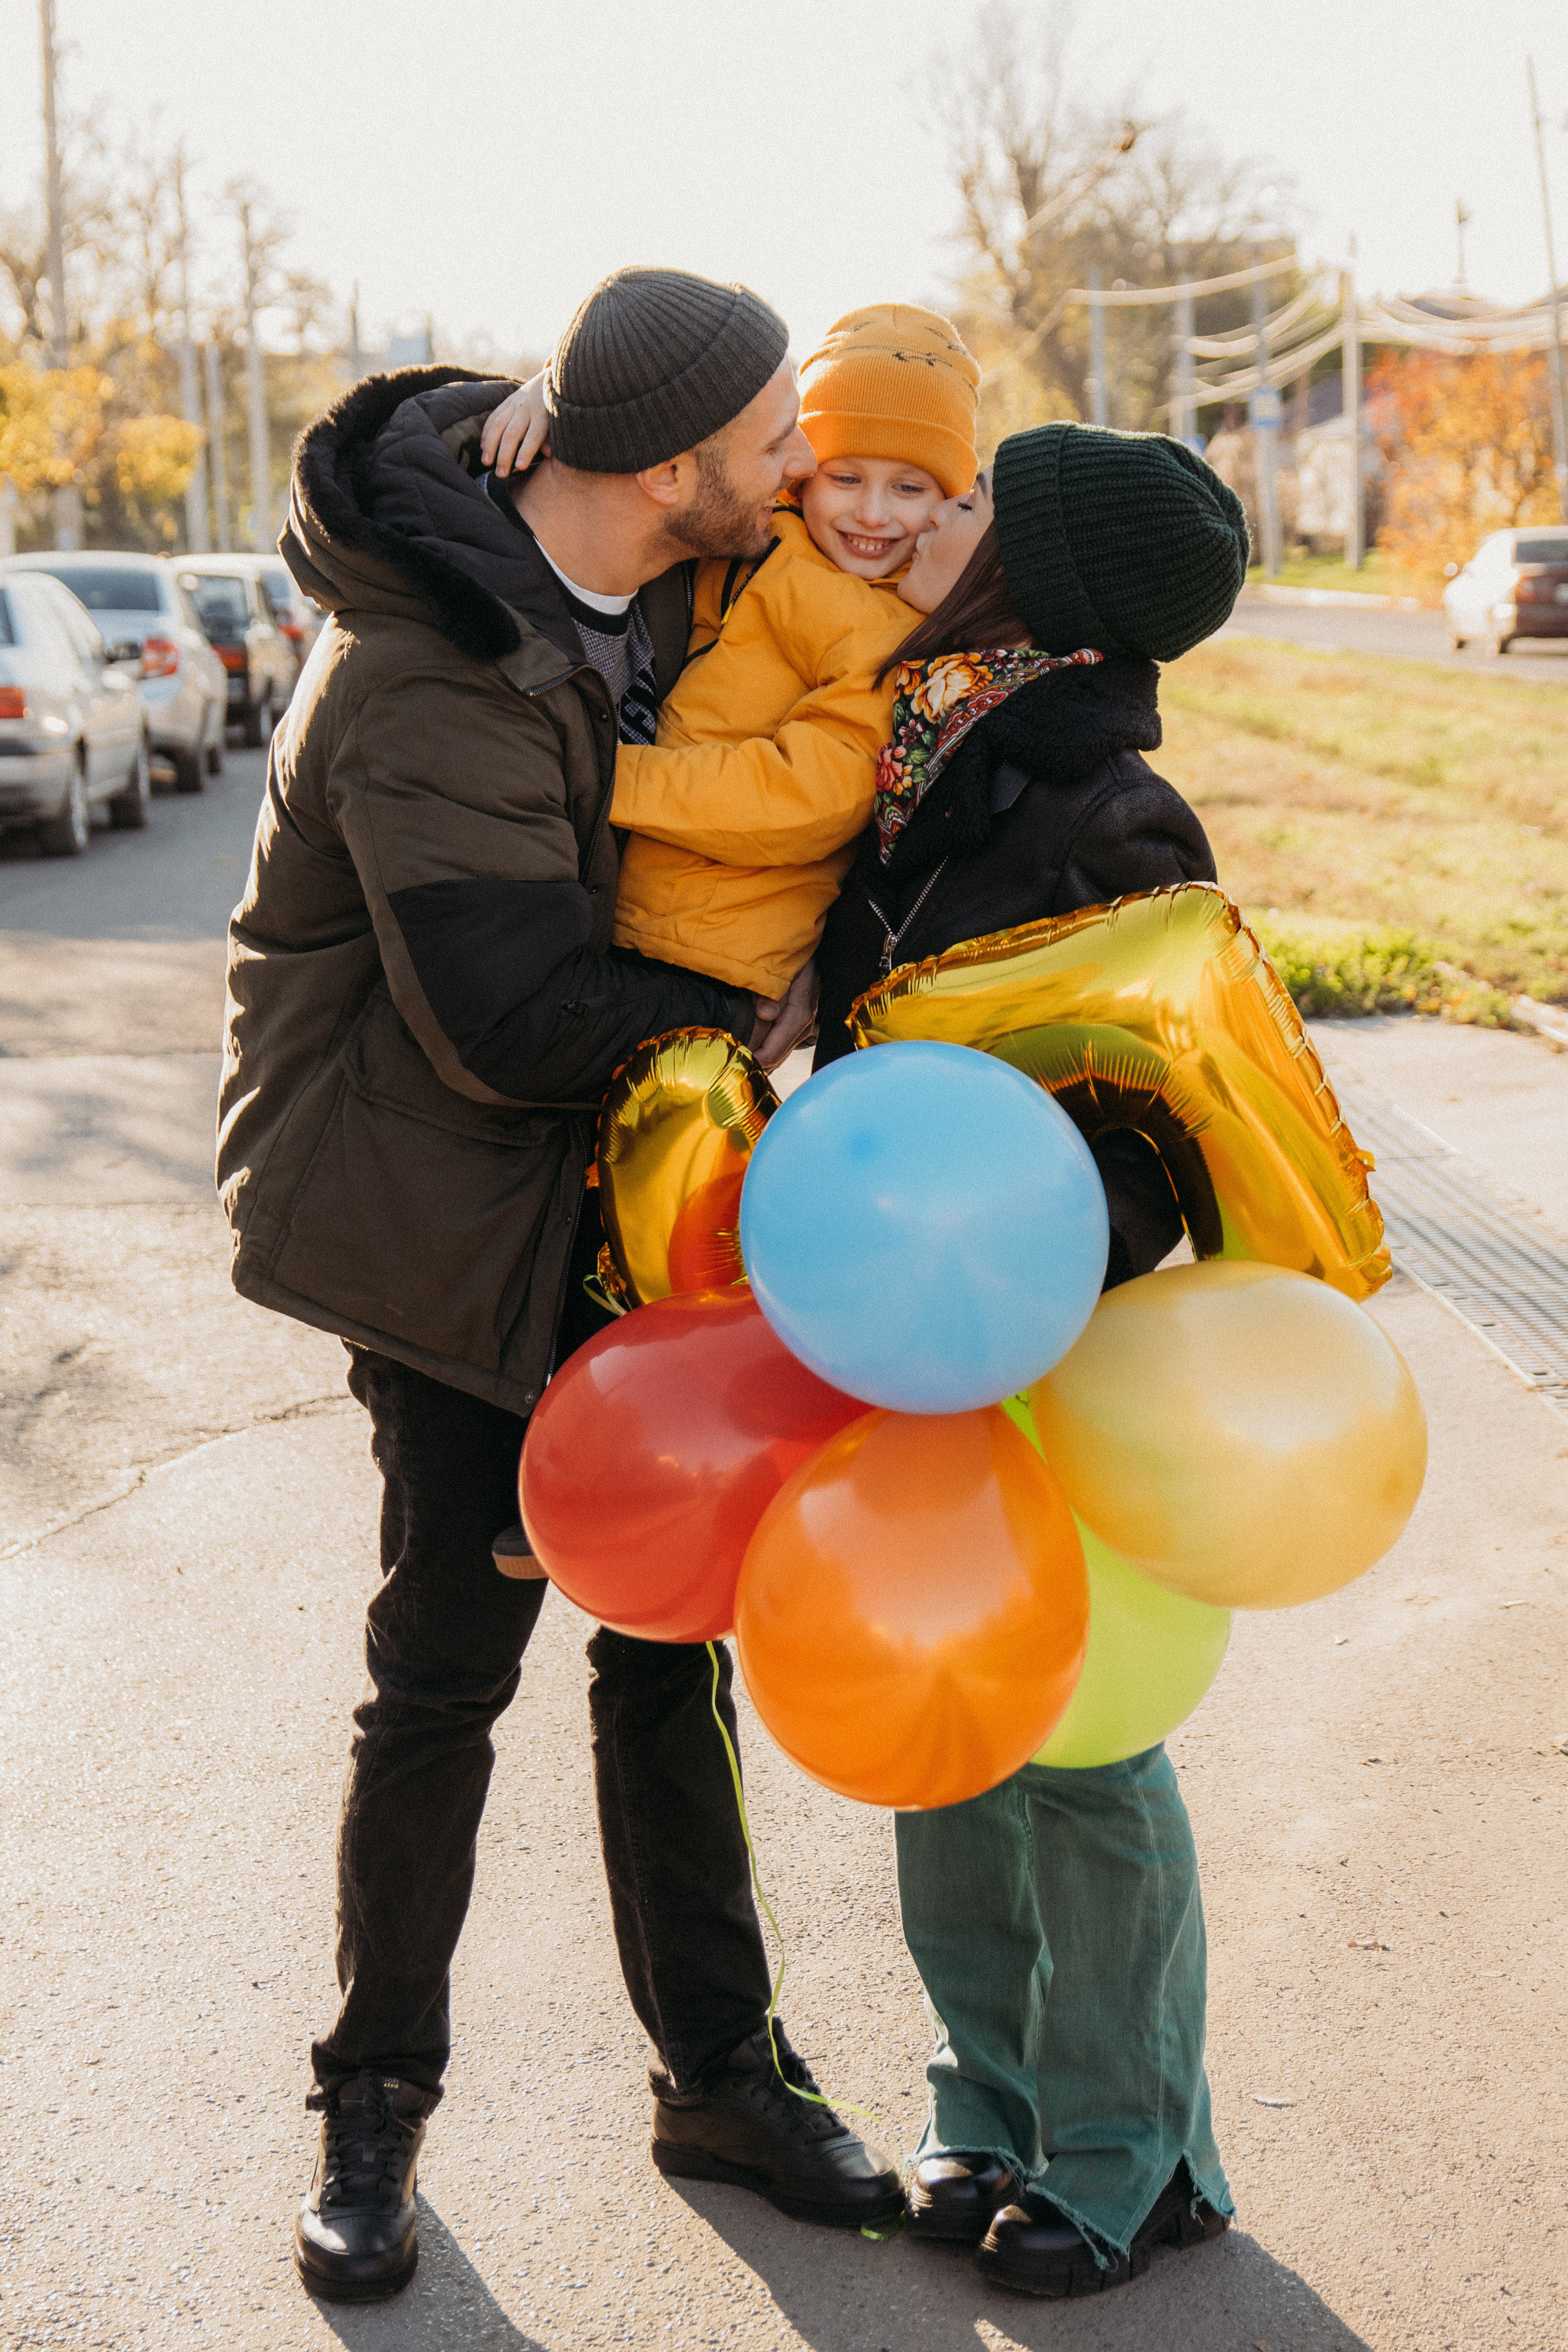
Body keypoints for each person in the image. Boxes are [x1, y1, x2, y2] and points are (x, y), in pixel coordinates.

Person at [216, 266, 902, 2310]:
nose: (802, 467)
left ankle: (722, 2080)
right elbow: (510, 1016)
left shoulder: (673, 572)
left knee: (669, 1642)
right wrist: (737, 1014)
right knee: (448, 1669)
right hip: (443, 1221)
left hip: (623, 1192)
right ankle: (371, 2112)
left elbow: (919, 553)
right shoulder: (420, 670)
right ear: (669, 468)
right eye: (770, 439)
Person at [815, 423, 1250, 2300]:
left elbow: (1167, 1128)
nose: (937, 515)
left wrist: (1006, 1257)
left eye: (977, 498)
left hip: (1042, 1341)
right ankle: (984, 2101)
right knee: (945, 1722)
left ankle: (1132, 2149)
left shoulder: (1105, 807)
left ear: (1039, 582)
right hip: (894, 1328)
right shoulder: (911, 747)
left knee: (1081, 1743)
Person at [481, 304, 981, 1000]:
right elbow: (696, 395)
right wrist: (556, 393)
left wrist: (610, 777)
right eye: (845, 478)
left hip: (712, 946)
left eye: (909, 488)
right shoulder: (763, 527)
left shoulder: (894, 634)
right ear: (803, 468)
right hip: (627, 907)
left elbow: (806, 797)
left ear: (948, 499)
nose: (872, 513)